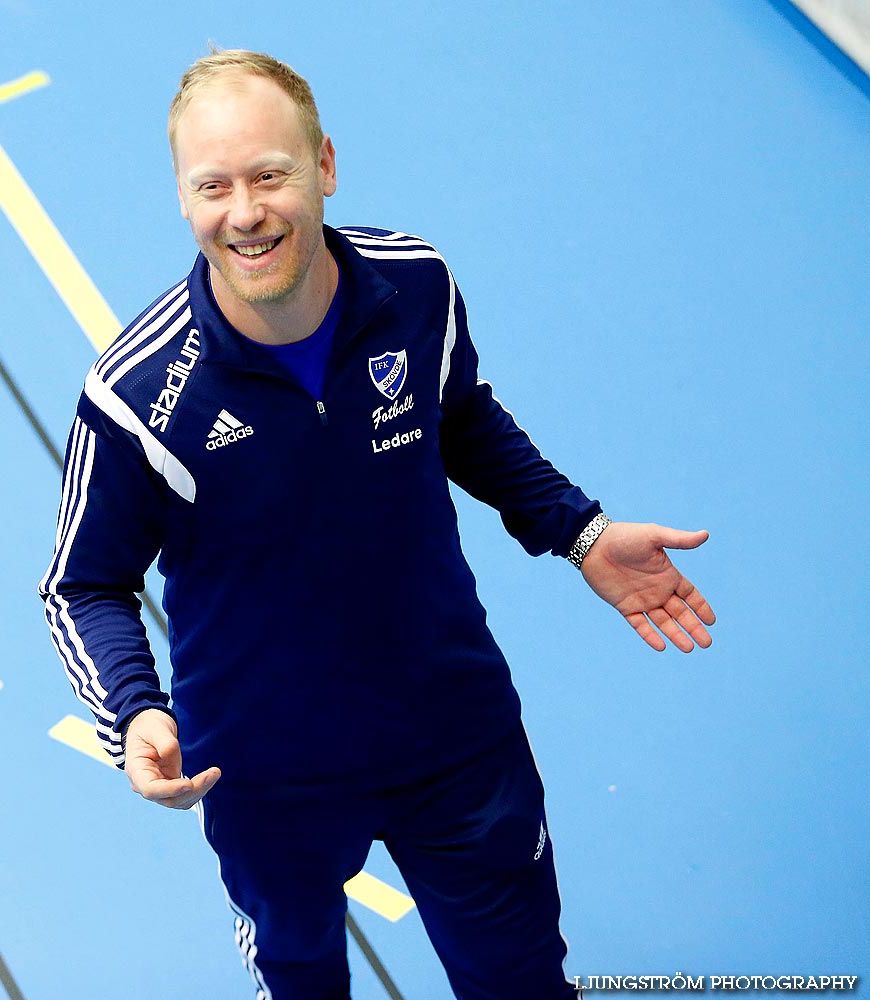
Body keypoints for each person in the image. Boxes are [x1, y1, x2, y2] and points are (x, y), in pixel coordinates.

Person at [40, 48, 714, 1000]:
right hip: (262, 771)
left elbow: (462, 415)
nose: (245, 212)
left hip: (452, 729)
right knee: (302, 980)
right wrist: (135, 709)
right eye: (213, 186)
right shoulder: (138, 394)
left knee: (523, 981)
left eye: (270, 174)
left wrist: (581, 532)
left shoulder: (417, 284)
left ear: (324, 164)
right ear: (183, 199)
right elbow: (83, 583)